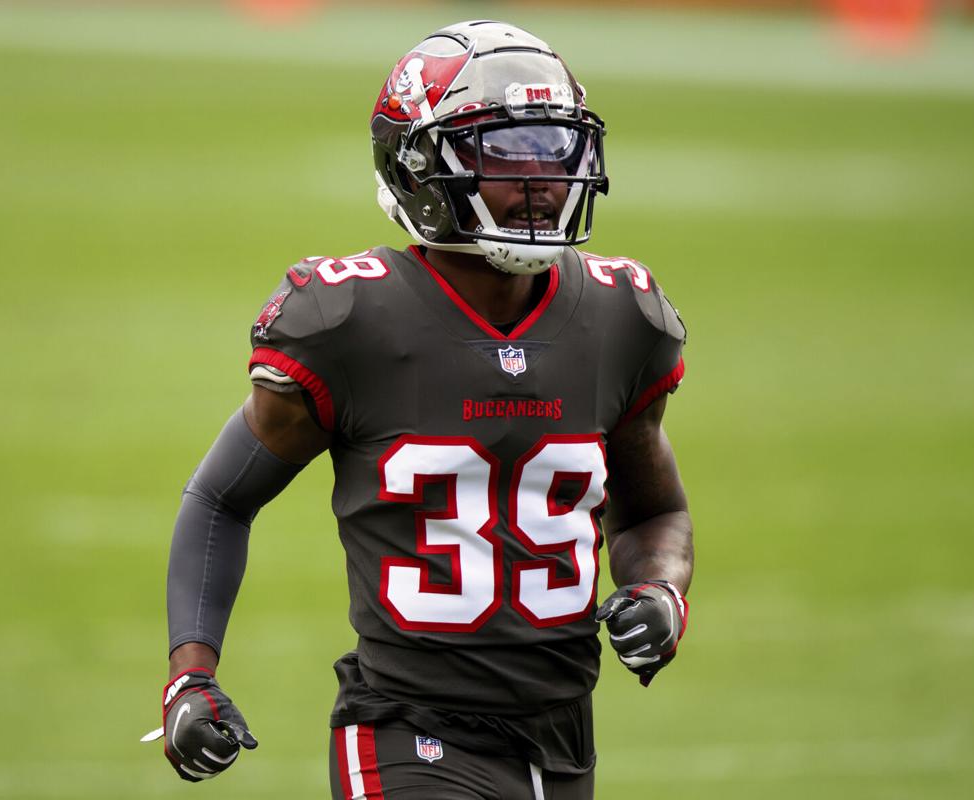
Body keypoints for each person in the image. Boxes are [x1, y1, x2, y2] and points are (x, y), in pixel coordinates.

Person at [151, 19, 694, 800]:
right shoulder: (349, 319)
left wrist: (660, 593)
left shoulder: (620, 317)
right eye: (505, 149)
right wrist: (190, 678)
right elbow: (220, 498)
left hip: (564, 738)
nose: (541, 174)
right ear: (418, 166)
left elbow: (653, 512)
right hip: (409, 733)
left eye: (552, 145)